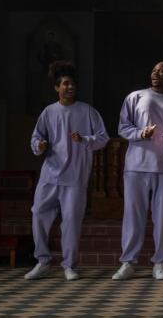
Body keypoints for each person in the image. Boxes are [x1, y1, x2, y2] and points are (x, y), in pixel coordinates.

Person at [26, 60, 109, 281]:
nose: (69, 87)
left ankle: (69, 265)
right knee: (38, 213)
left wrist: (85, 140)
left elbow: (103, 139)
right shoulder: (49, 112)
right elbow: (36, 138)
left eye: (72, 84)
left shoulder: (87, 111)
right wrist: (40, 146)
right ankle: (42, 261)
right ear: (57, 87)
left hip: (75, 176)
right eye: (64, 84)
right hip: (51, 174)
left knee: (71, 220)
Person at [112, 61, 163, 281]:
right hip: (136, 165)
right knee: (133, 215)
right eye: (154, 70)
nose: (156, 73)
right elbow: (123, 127)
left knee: (162, 217)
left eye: (161, 71)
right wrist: (140, 134)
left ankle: (159, 262)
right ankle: (128, 262)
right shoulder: (135, 97)